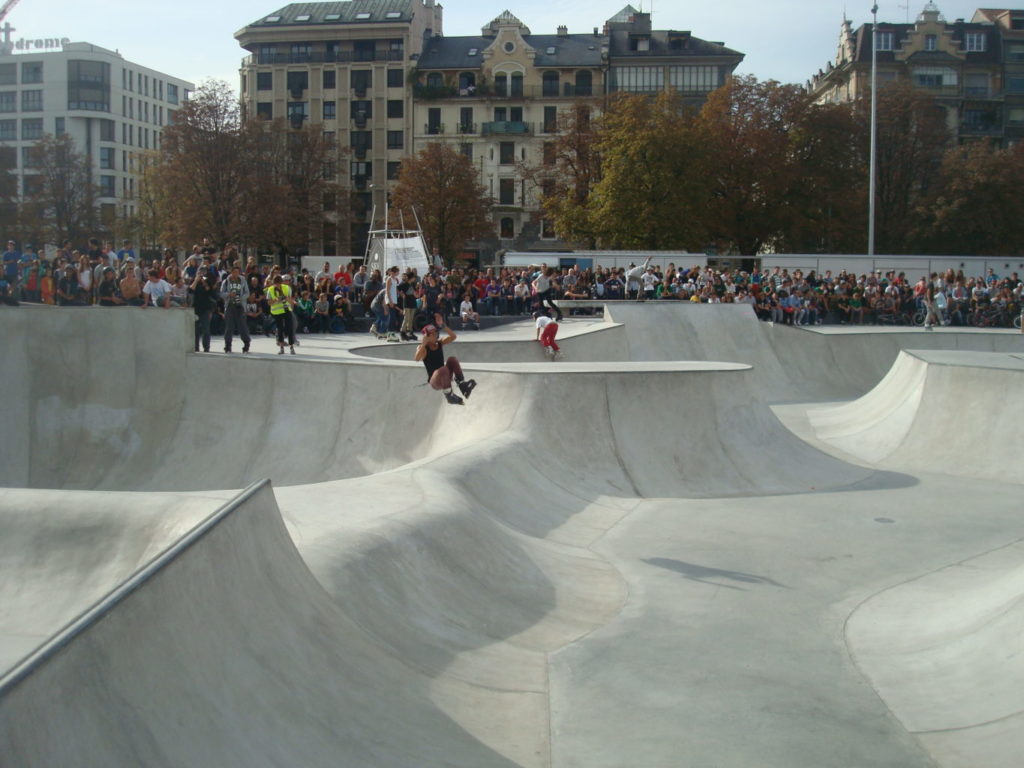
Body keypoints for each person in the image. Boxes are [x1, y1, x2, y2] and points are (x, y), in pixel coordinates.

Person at [414, 323, 476, 406]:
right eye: (434, 334)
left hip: (445, 376)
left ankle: (462, 385)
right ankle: (449, 396)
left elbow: (453, 337)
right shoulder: (423, 348)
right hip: (435, 381)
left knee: (452, 359)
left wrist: (443, 326)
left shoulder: (439, 343)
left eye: (436, 333)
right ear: (428, 337)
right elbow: (417, 358)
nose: (436, 335)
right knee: (443, 369)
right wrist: (423, 343)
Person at [220, 264, 251, 353]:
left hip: (240, 306)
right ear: (231, 272)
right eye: (234, 272)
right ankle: (228, 345)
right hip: (230, 305)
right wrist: (228, 295)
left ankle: (246, 344)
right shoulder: (226, 281)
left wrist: (241, 297)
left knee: (242, 326)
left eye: (237, 272)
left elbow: (247, 293)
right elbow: (221, 293)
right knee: (229, 326)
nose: (235, 274)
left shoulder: (243, 281)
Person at [266, 273, 297, 354]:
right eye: (276, 284)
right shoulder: (270, 289)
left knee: (289, 328)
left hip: (286, 310)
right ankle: (281, 347)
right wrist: (276, 300)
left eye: (279, 283)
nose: (278, 285)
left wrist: (287, 298)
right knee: (280, 329)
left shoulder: (287, 288)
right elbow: (269, 303)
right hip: (277, 312)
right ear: (273, 283)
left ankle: (291, 346)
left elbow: (291, 300)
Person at [191, 267, 218, 352]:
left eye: (202, 273)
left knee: (206, 329)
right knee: (195, 330)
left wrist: (203, 282)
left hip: (206, 308)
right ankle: (196, 347)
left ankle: (206, 348)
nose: (201, 275)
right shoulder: (193, 281)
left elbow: (210, 291)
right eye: (199, 273)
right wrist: (196, 280)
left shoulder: (207, 282)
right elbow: (190, 290)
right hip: (195, 309)